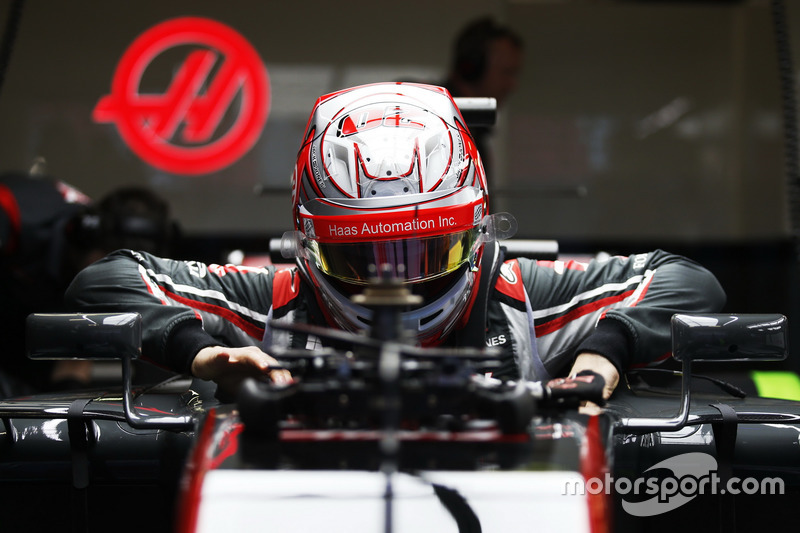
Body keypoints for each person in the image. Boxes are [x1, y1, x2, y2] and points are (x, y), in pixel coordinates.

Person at [64, 82, 726, 406]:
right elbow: (109, 280)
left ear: (477, 233)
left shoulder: (520, 296)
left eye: (427, 252)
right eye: (362, 257)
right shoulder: (274, 296)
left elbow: (684, 280)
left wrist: (603, 356)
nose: (394, 281)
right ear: (307, 241)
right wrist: (204, 352)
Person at [0, 172, 177, 396]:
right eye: (110, 266)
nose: (114, 284)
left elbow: (71, 367)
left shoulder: (103, 289)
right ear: (87, 240)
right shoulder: (13, 210)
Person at [443, 16, 524, 188]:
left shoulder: (475, 130)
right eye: (506, 72)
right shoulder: (433, 119)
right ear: (472, 67)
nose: (513, 85)